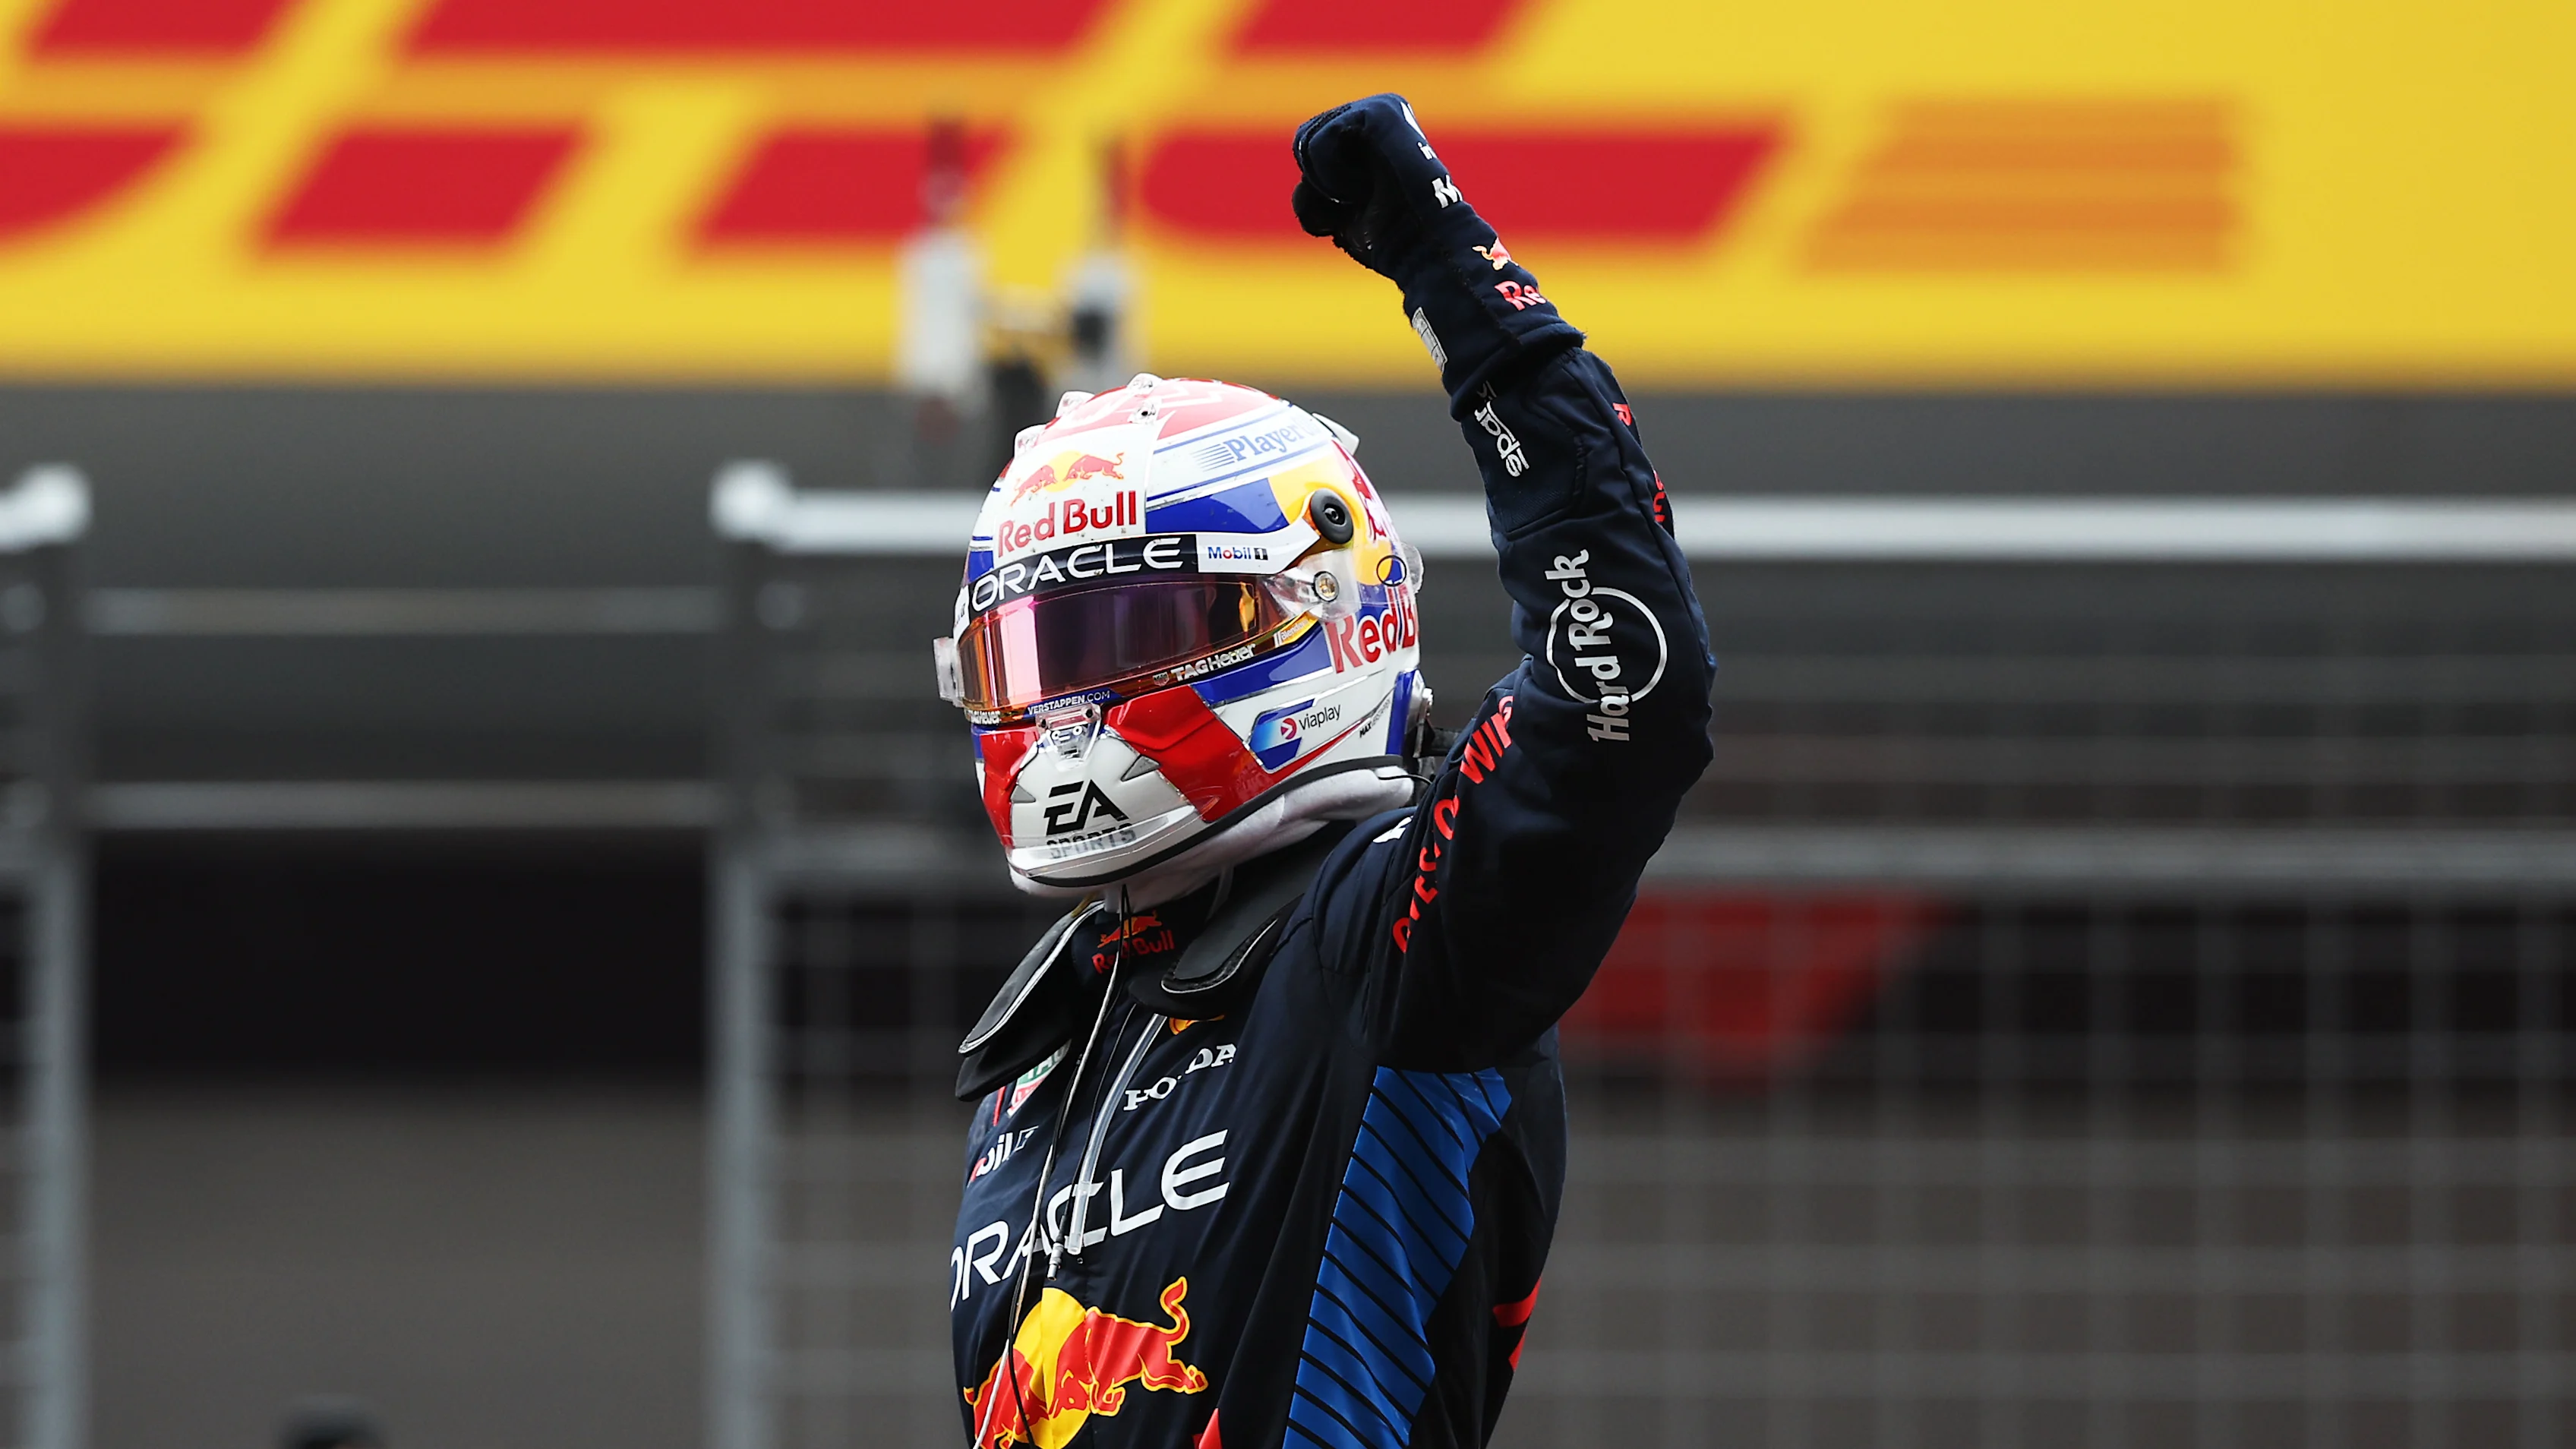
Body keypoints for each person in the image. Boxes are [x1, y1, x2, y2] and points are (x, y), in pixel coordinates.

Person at [937, 95, 1713, 1449]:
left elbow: (1623, 696)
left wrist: (1460, 286)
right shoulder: (1052, 1026)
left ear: (1326, 613)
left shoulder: (1391, 938)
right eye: (1040, 649)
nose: (1072, 704)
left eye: (1130, 630)